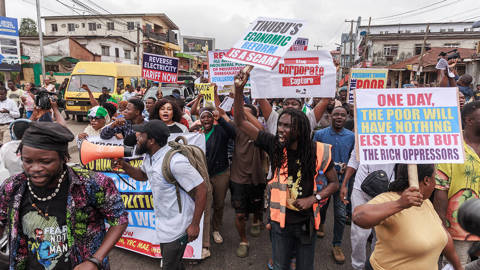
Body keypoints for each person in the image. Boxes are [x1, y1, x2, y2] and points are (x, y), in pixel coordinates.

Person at [233, 70, 339, 270]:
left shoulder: (318, 151)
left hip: (307, 223)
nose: (281, 129)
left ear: (300, 129)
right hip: (280, 223)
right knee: (280, 265)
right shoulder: (274, 145)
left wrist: (313, 199)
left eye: (287, 126)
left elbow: (334, 183)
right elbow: (239, 122)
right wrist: (239, 91)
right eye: (280, 124)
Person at [0, 122, 128, 269]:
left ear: (64, 158)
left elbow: (119, 219)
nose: (34, 168)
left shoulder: (93, 183)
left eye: (46, 161)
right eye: (27, 161)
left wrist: (96, 260)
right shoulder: (12, 186)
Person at [114, 120, 207, 270]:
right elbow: (143, 175)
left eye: (141, 135)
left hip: (178, 226)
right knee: (175, 264)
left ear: (151, 141)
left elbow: (202, 189)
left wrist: (195, 225)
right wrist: (125, 166)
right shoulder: (150, 156)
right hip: (164, 223)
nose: (137, 137)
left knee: (169, 265)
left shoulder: (175, 162)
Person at [353, 164, 463, 270]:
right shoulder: (389, 199)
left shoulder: (426, 202)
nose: (436, 183)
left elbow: (444, 236)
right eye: (435, 178)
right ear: (427, 180)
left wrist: (458, 267)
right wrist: (400, 204)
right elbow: (358, 216)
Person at [434, 101, 480, 267]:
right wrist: (442, 226)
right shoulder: (451, 146)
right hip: (459, 230)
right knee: (457, 266)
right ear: (469, 121)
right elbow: (440, 189)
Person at [340, 147, 396, 270]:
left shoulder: (399, 131)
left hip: (387, 190)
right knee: (359, 235)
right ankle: (358, 266)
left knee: (381, 234)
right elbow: (355, 158)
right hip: (361, 188)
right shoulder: (365, 128)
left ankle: (373, 265)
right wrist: (344, 184)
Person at [313, 105, 355, 264]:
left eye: (342, 115)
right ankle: (321, 223)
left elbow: (354, 159)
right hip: (323, 181)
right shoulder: (320, 134)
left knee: (340, 213)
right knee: (321, 207)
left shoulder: (352, 137)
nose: (339, 117)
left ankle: (337, 245)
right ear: (330, 116)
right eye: (336, 114)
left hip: (343, 182)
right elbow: (313, 155)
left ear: (347, 118)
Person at [198, 106, 236, 248]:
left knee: (219, 204)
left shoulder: (220, 130)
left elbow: (233, 134)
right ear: (200, 120)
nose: (206, 119)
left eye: (208, 116)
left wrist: (220, 118)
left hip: (221, 173)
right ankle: (205, 232)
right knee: (205, 205)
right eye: (203, 117)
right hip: (203, 175)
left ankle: (216, 229)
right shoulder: (197, 134)